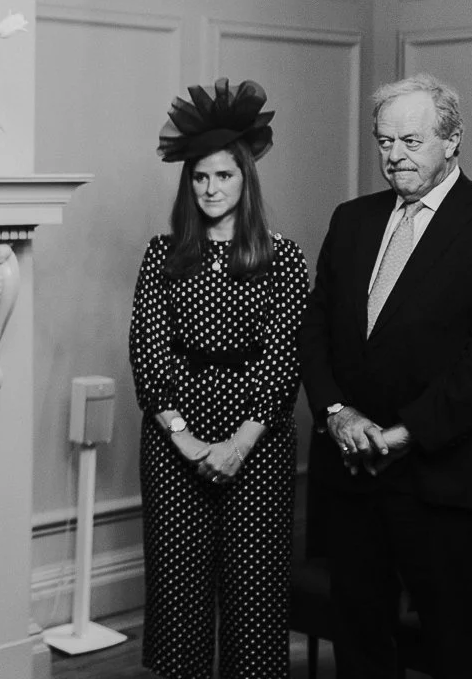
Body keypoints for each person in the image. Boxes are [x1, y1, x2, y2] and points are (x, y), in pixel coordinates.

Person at [299, 74, 472, 679]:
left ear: (453, 140)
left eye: (410, 140)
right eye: (384, 141)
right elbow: (316, 328)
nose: (393, 156)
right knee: (359, 638)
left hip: (441, 478)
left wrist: (405, 433)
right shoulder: (352, 220)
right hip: (351, 471)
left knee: (458, 643)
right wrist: (336, 414)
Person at [128, 78, 309, 679]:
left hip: (256, 442)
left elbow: (286, 356)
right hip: (174, 435)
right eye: (200, 177)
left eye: (223, 176)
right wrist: (182, 437)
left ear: (245, 178)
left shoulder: (281, 256)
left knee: (254, 600)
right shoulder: (163, 252)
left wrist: (237, 445)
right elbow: (147, 350)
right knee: (178, 596)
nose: (210, 188)